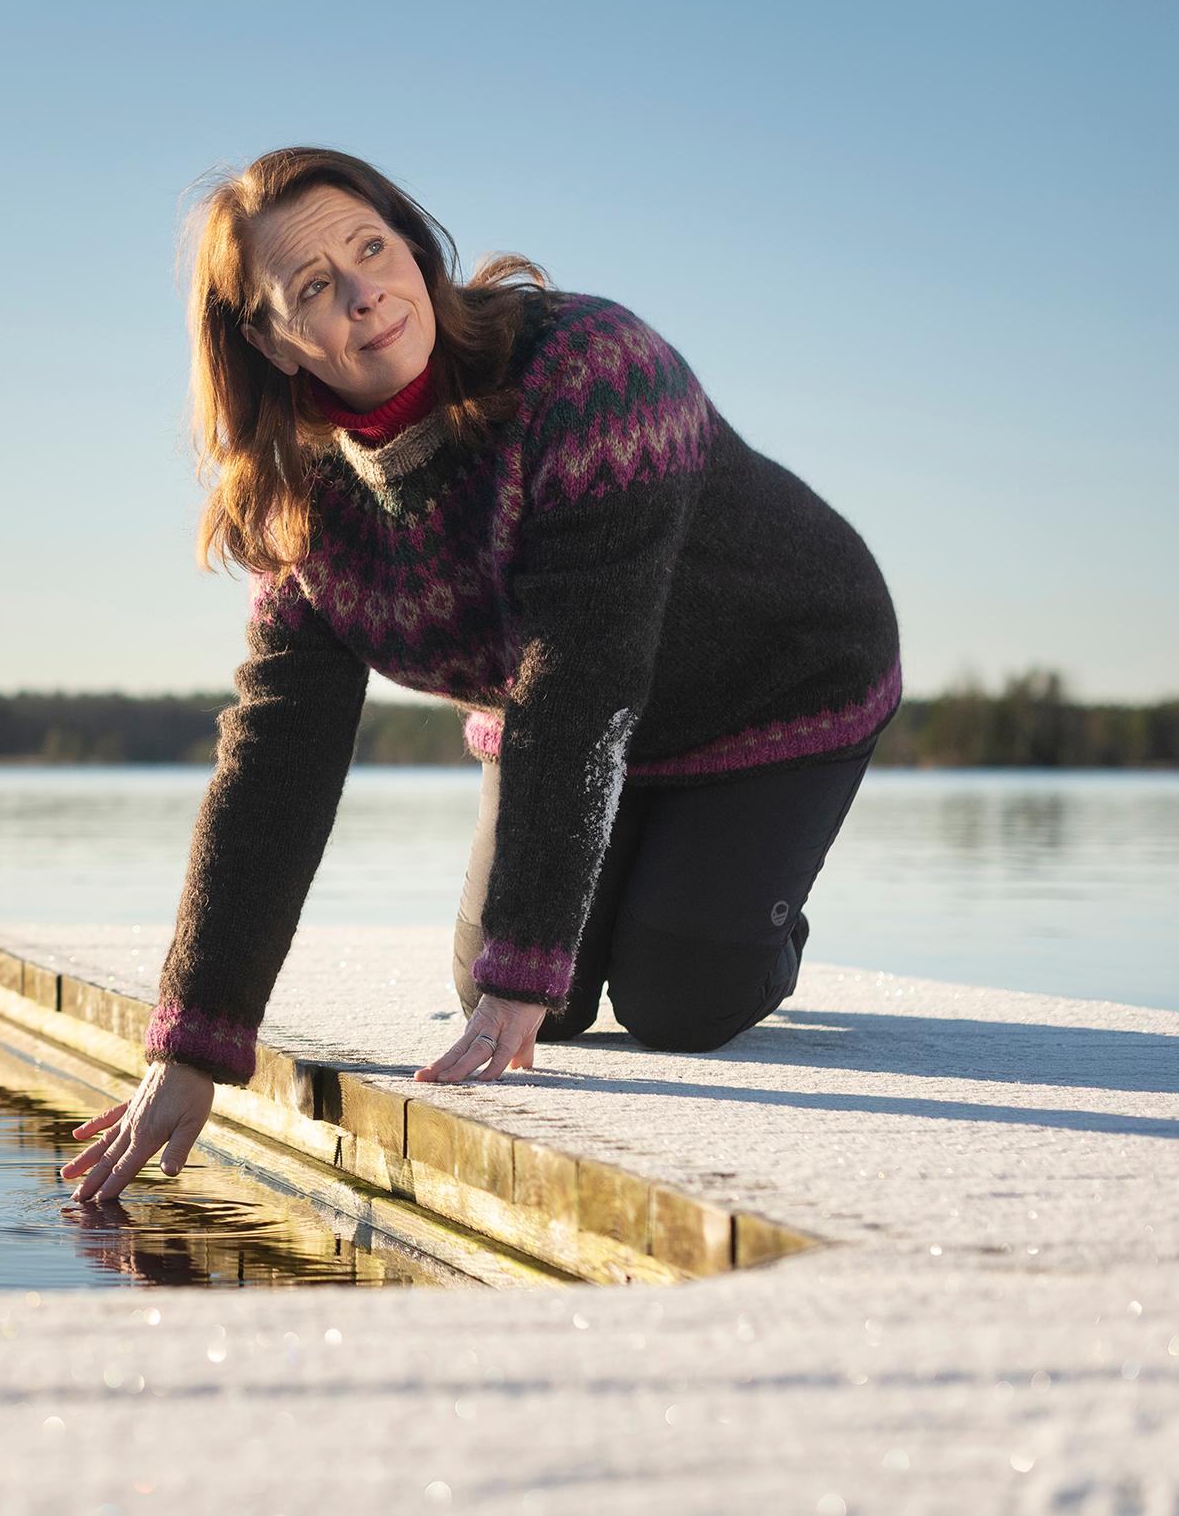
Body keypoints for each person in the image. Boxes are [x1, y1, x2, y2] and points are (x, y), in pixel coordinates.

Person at [63, 147, 900, 1204]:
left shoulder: (586, 369)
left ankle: (754, 920)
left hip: (776, 682)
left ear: (413, 245)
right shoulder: (303, 503)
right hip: (567, 723)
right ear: (270, 342)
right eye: (313, 288)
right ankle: (648, 876)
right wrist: (193, 1044)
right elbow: (276, 757)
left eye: (371, 248)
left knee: (676, 996)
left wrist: (523, 969)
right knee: (509, 993)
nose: (365, 295)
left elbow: (580, 678)